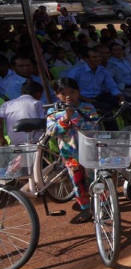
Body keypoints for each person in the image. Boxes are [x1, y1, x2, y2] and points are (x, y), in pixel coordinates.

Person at [47, 78, 99, 224]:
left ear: (78, 92)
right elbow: (51, 132)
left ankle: (103, 204)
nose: (68, 96)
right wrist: (66, 118)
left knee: (94, 178)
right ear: (57, 95)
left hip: (90, 150)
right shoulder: (53, 111)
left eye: (72, 92)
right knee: (77, 180)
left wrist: (79, 124)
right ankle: (85, 208)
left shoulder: (88, 107)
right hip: (69, 153)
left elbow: (95, 126)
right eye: (63, 93)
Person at [66, 45, 124, 113]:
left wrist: (120, 96)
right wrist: (86, 99)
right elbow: (69, 89)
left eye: (99, 56)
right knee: (106, 108)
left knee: (124, 103)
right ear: (86, 59)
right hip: (82, 99)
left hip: (98, 96)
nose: (98, 59)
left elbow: (112, 86)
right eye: (94, 57)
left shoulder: (103, 71)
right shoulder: (76, 71)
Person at [0, 80, 44, 145]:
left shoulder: (6, 104)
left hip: (14, 143)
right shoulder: (37, 103)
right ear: (38, 94)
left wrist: (1, 138)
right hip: (35, 142)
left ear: (22, 92)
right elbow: (42, 124)